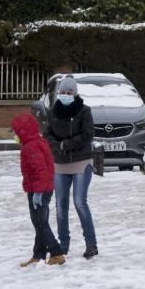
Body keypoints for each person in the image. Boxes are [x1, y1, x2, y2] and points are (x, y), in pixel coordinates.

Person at [45, 75, 98, 259]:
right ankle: (63, 245)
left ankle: (91, 244)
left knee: (79, 202)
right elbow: (48, 134)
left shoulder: (84, 111)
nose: (66, 95)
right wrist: (56, 146)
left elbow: (87, 134)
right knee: (60, 205)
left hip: (81, 161)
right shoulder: (53, 112)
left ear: (75, 94)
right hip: (59, 164)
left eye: (69, 92)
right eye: (63, 92)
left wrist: (66, 145)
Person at [10, 113, 66, 267]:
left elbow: (41, 170)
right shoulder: (38, 142)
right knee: (40, 222)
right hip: (43, 188)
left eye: (16, 132)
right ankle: (38, 254)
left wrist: (38, 193)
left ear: (23, 131)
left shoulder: (31, 147)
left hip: (38, 190)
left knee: (40, 223)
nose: (15, 135)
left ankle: (56, 253)